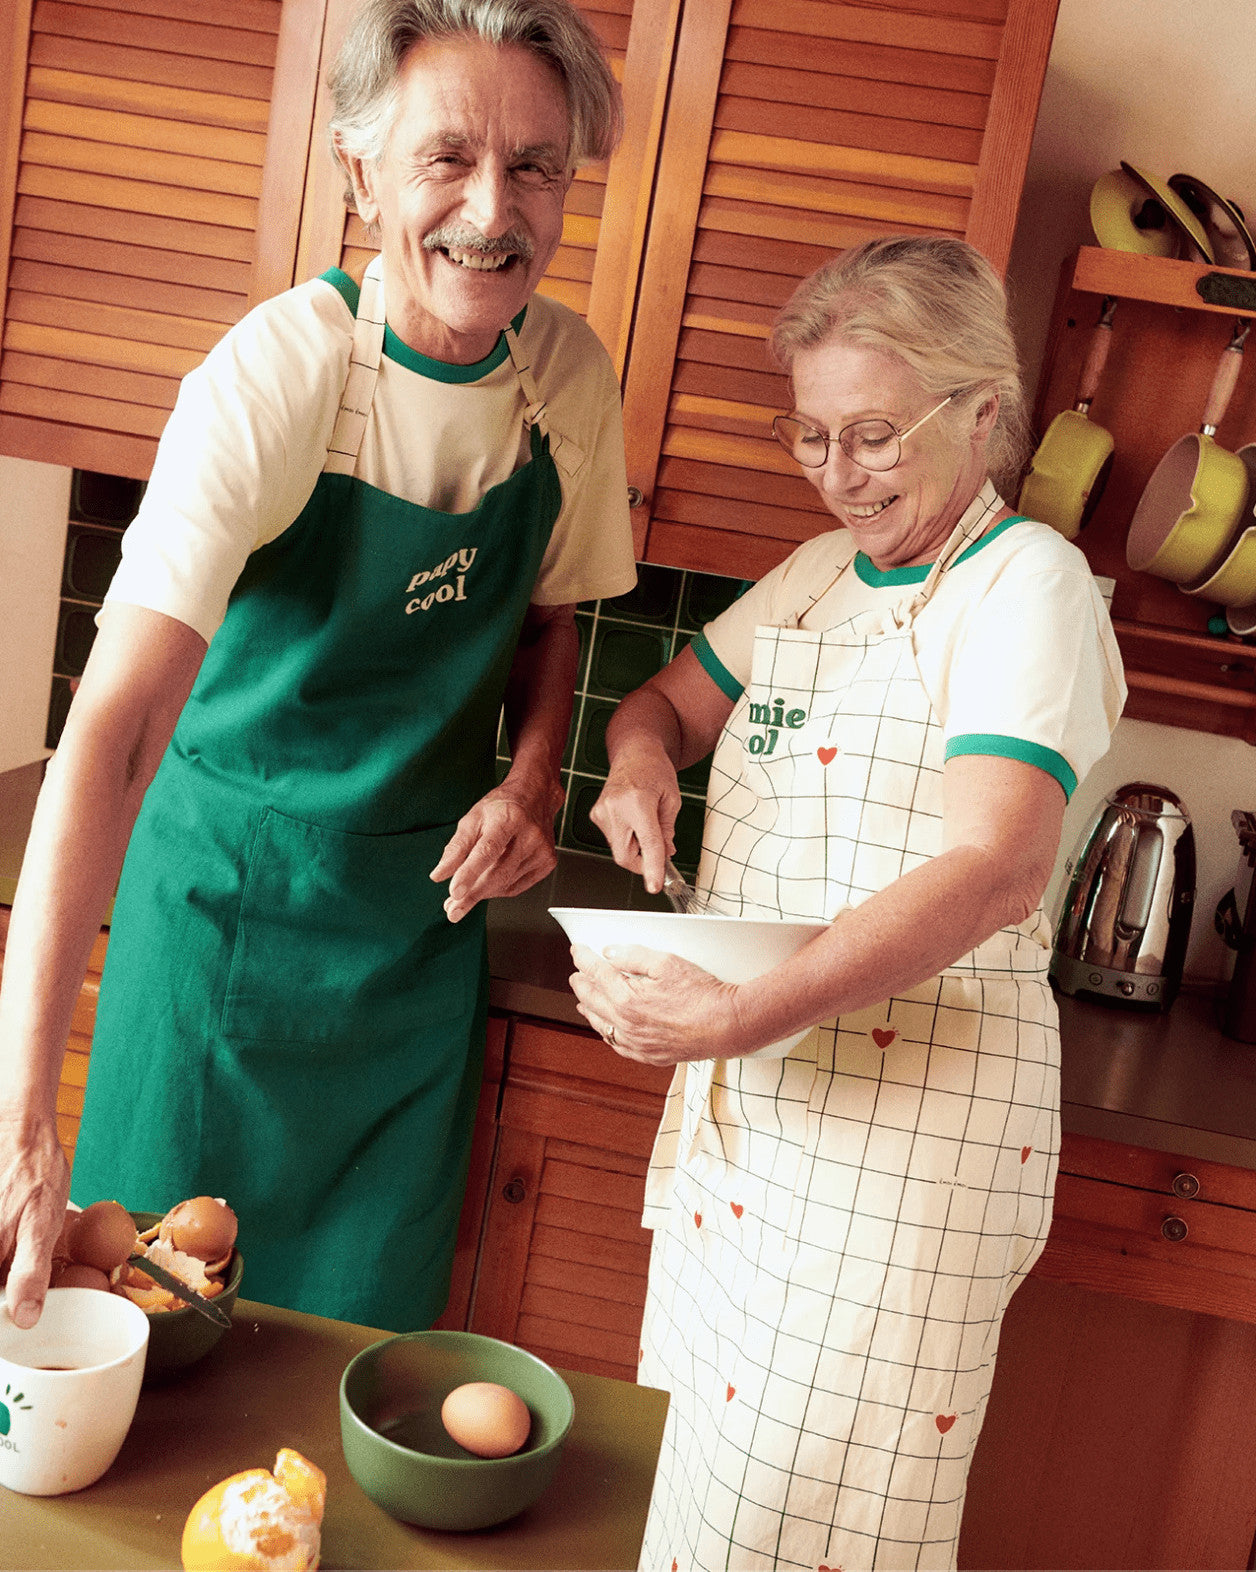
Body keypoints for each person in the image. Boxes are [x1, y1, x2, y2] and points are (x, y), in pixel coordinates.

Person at [0, 0, 635, 1333]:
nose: (492, 207)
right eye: (446, 157)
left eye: (534, 166)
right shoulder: (278, 378)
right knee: (143, 1336)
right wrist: (18, 1115)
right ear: (361, 175)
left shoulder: (567, 378)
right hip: (221, 933)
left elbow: (548, 619)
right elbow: (111, 735)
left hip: (410, 954)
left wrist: (528, 785)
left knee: (356, 1356)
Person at [570, 235, 1126, 1571]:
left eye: (872, 434)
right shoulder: (819, 572)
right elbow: (659, 707)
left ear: (980, 412)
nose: (836, 472)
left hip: (901, 1163)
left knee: (811, 1533)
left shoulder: (1025, 591)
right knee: (706, 1510)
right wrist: (639, 766)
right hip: (754, 1138)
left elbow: (997, 866)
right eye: (811, 434)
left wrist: (749, 1010)